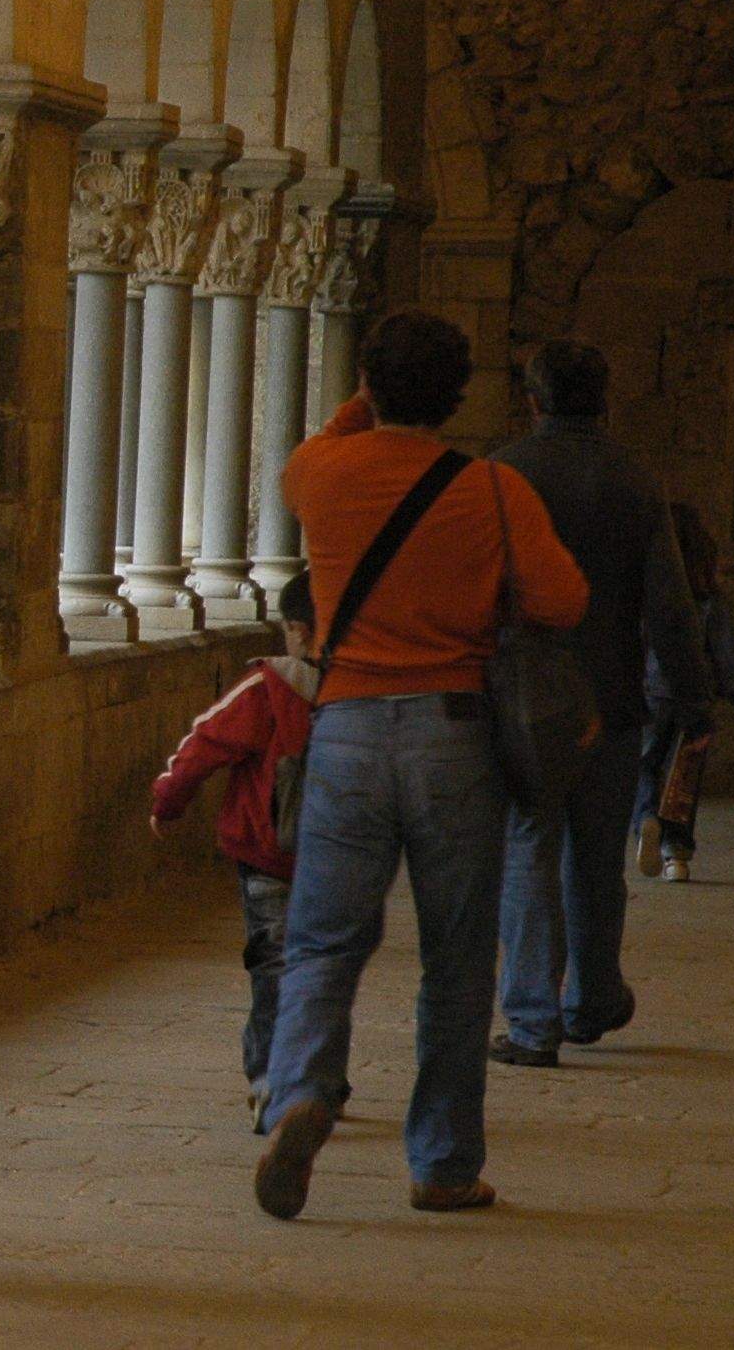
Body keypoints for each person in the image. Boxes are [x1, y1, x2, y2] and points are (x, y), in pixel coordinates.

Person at [255, 309, 588, 1222]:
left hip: (348, 729)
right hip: (454, 733)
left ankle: (300, 1097)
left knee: (323, 940)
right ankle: (442, 1163)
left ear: (366, 385)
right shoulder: (492, 489)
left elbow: (323, 437)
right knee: (456, 957)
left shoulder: (318, 472)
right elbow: (563, 599)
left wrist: (360, 402)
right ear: (459, 393)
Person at [488, 341, 715, 1068]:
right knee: (594, 860)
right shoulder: (636, 480)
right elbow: (671, 607)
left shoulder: (504, 475)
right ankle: (589, 1001)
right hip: (611, 697)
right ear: (606, 399)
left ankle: (530, 1019)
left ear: (533, 399)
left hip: (521, 698)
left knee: (529, 848)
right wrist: (693, 697)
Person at [151, 570, 319, 1131]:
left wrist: (166, 804)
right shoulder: (365, 694)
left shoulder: (269, 688)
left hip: (267, 853)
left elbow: (202, 745)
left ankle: (270, 1081)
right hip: (342, 856)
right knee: (325, 966)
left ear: (295, 628)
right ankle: (320, 1079)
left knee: (273, 966)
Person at [636, 502, 734, 884]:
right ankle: (676, 856)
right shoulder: (708, 600)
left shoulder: (648, 594)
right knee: (685, 775)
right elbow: (727, 651)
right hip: (697, 695)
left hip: (653, 691)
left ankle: (645, 817)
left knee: (644, 763)